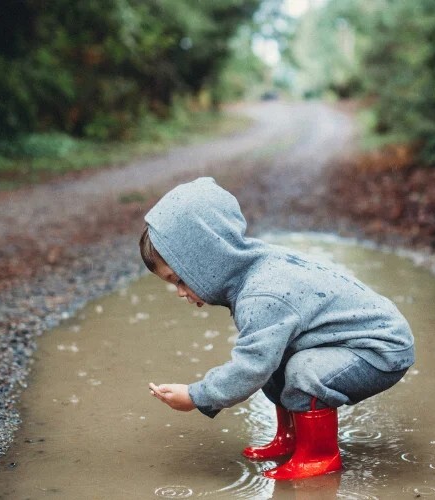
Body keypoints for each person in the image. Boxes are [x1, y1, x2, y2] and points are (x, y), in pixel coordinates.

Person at [141, 177, 414, 480]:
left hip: (380, 348)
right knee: (278, 359)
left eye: (179, 279)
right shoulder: (250, 270)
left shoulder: (261, 294)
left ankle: (319, 455)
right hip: (348, 342)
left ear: (207, 261)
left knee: (302, 370)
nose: (180, 292)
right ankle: (291, 438)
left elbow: (250, 368)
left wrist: (196, 396)